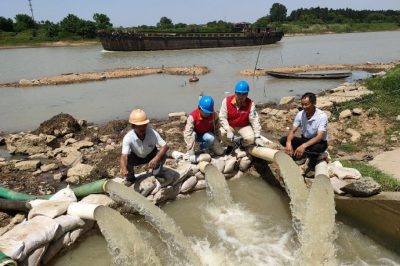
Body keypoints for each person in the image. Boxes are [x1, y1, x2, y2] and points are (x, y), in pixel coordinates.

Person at [279, 92, 328, 169]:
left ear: (314, 103)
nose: (304, 107)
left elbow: (319, 137)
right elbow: (293, 131)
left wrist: (303, 146)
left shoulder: (322, 116)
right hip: (305, 139)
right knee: (284, 140)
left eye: (306, 104)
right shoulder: (300, 114)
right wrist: (288, 143)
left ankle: (311, 161)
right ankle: (301, 155)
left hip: (318, 142)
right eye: (302, 104)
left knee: (316, 149)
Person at [120, 109, 169, 184]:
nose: (142, 128)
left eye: (144, 125)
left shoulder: (152, 133)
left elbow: (165, 146)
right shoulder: (128, 137)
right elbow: (124, 156)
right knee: (127, 160)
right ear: (133, 126)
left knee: (162, 155)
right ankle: (130, 178)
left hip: (151, 156)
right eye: (139, 126)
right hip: (136, 157)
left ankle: (156, 174)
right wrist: (123, 168)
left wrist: (156, 158)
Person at [219, 80, 263, 147]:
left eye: (244, 94)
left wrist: (257, 137)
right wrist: (228, 129)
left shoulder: (251, 104)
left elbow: (254, 120)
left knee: (250, 139)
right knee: (221, 133)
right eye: (238, 94)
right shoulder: (226, 101)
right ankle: (231, 145)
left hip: (243, 126)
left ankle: (240, 143)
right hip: (231, 126)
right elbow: (222, 117)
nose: (241, 96)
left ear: (247, 94)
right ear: (235, 93)